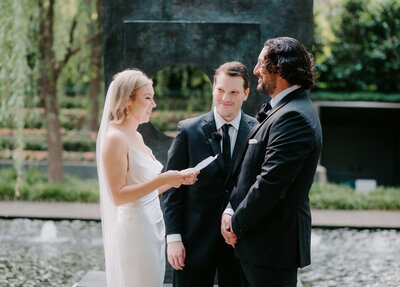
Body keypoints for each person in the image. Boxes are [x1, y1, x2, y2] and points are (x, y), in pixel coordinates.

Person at [221, 37, 322, 287]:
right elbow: (248, 169)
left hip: (272, 247)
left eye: (260, 64)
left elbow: (271, 183)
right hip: (257, 244)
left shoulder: (294, 117)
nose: (255, 71)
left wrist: (235, 223)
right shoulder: (284, 109)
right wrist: (230, 208)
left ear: (279, 68)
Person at [96, 69, 199, 287]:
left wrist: (176, 180)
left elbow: (146, 189)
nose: (154, 104)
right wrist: (163, 180)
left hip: (152, 228)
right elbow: (118, 196)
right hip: (135, 233)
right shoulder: (115, 138)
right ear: (127, 101)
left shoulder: (137, 136)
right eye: (147, 98)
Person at [161, 61, 257, 287]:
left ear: (246, 94)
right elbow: (171, 188)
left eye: (234, 92)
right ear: (213, 88)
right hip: (193, 242)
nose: (226, 97)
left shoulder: (257, 129)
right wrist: (173, 238)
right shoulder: (188, 130)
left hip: (239, 242)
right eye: (221, 90)